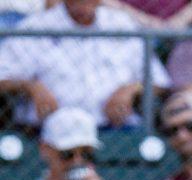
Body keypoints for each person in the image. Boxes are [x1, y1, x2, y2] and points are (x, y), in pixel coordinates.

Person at [0, 0, 170, 127]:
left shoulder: (121, 24)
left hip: (114, 129)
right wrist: (30, 86)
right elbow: (2, 76)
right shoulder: (36, 26)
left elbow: (161, 82)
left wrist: (131, 89)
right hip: (50, 132)